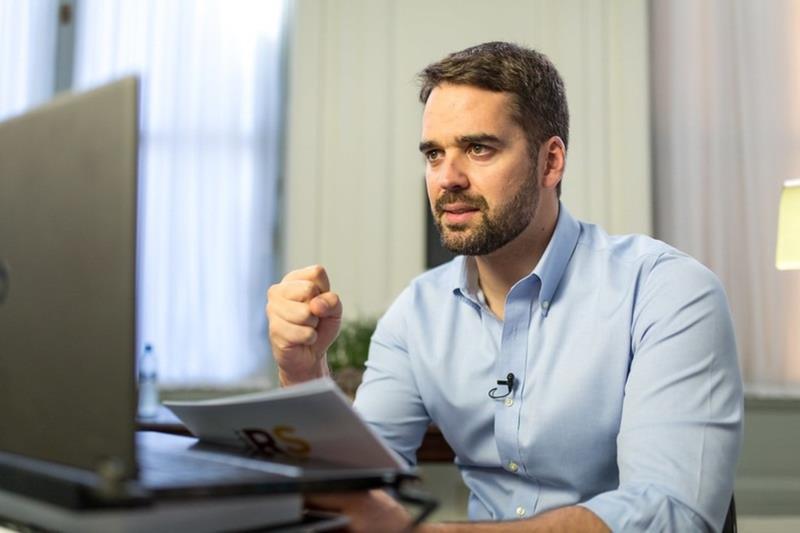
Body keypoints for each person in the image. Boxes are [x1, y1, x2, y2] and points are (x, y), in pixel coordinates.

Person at [266, 42, 743, 532]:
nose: (447, 178)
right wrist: (303, 374)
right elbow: (354, 493)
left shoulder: (667, 292)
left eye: (478, 148)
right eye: (434, 153)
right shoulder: (418, 314)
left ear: (550, 162)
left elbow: (673, 515)